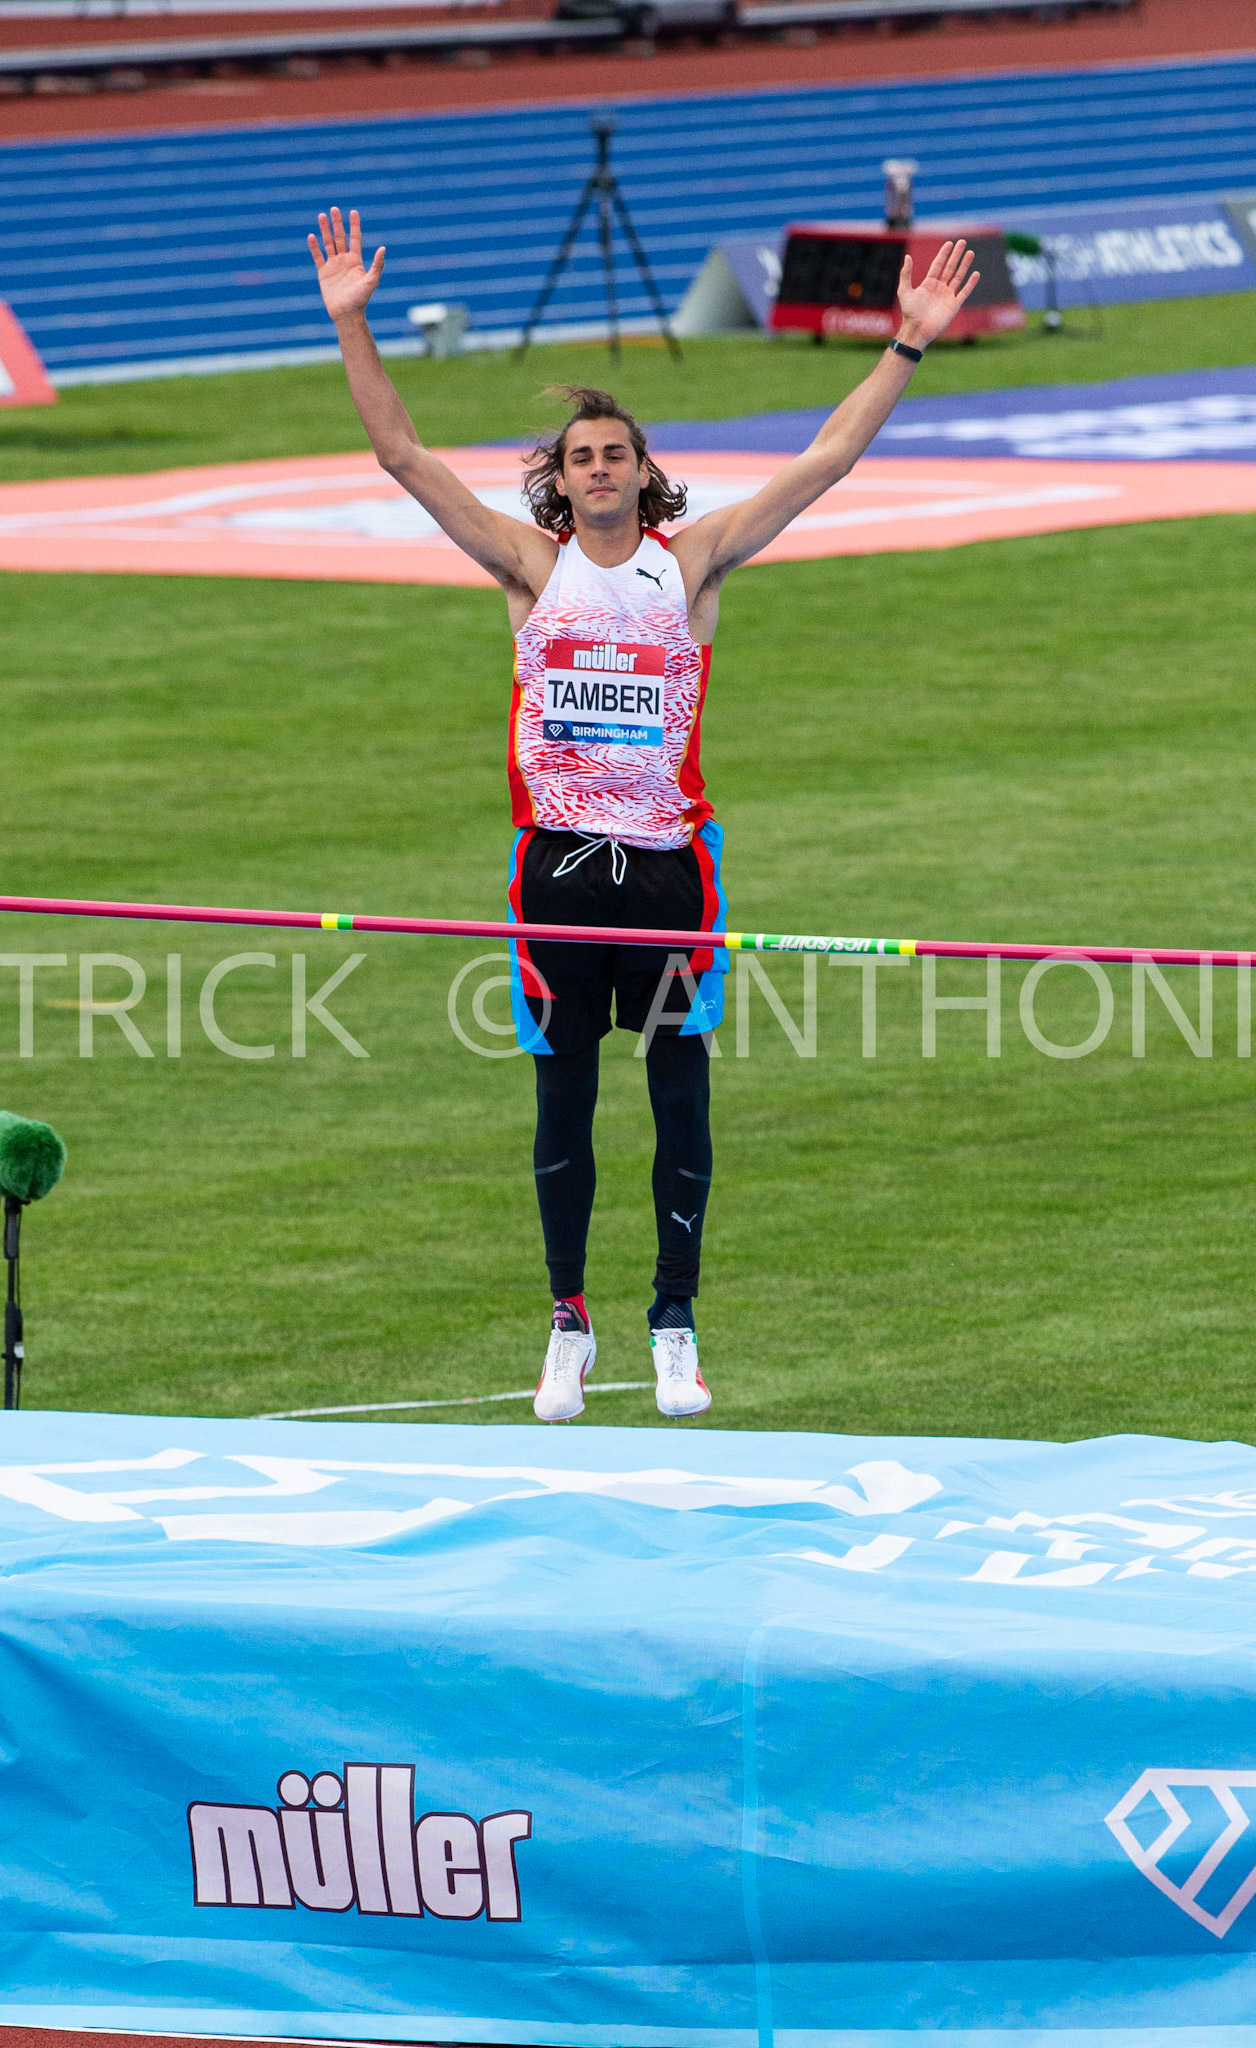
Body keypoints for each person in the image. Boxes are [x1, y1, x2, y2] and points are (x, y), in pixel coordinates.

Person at [308, 205, 978, 1425]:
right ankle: (567, 1317)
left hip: (671, 875)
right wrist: (353, 322)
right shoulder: (526, 568)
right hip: (555, 875)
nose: (599, 469)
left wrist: (906, 346)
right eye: (580, 459)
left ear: (642, 470)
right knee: (561, 1100)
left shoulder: (697, 563)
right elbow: (403, 456)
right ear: (559, 485)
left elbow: (822, 461)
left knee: (679, 1094)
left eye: (615, 453)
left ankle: (673, 1317)